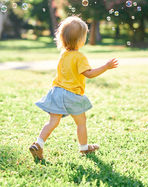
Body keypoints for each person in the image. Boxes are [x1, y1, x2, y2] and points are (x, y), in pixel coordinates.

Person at [29, 16, 119, 161]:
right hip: (72, 94)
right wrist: (106, 67)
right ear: (80, 40)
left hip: (56, 92)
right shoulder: (79, 57)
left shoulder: (63, 55)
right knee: (81, 121)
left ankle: (38, 143)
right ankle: (83, 147)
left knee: (52, 121)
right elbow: (89, 74)